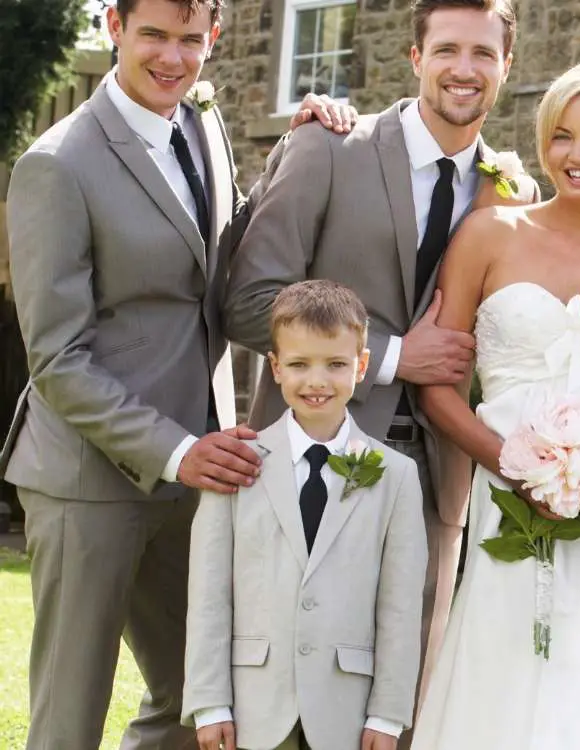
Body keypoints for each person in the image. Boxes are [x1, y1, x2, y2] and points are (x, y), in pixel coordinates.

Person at [0, 0, 349, 746]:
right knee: (69, 716)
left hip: (199, 472)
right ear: (113, 29)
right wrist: (177, 450)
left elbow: (219, 256)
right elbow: (57, 359)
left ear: (213, 38)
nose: (172, 57)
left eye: (190, 40)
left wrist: (295, 149)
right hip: (88, 480)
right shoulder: (56, 166)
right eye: (153, 35)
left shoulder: (202, 123)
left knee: (199, 704)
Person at [221, 0, 543, 717]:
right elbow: (248, 303)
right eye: (448, 50)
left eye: (483, 55)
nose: (465, 70)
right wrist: (395, 356)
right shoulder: (328, 148)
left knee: (402, 697)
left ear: (506, 67)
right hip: (314, 461)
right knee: (289, 696)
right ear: (415, 57)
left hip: (439, 479)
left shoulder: (512, 193)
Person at [408, 61, 580, 750]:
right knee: (500, 646)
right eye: (560, 137)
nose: (577, 155)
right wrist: (508, 462)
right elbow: (437, 384)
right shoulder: (489, 235)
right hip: (504, 491)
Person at [183, 280, 427, 750]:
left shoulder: (395, 476)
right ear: (275, 368)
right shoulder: (237, 462)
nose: (317, 381)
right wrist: (210, 702)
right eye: (299, 364)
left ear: (361, 366)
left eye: (335, 364)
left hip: (346, 711)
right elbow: (209, 593)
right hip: (254, 707)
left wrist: (388, 715)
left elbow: (399, 607)